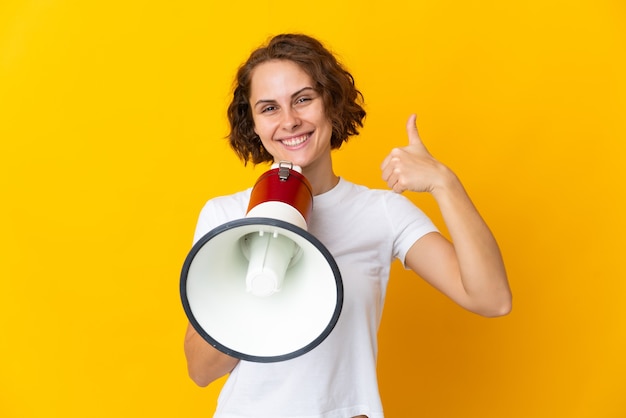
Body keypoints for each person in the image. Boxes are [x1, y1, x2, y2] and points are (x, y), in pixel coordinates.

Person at [183, 33, 512, 418]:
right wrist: (262, 264)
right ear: (253, 123)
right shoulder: (226, 217)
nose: (289, 121)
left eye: (304, 99)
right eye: (269, 108)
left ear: (331, 104)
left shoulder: (382, 213)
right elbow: (201, 371)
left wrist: (444, 183)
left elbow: (492, 299)